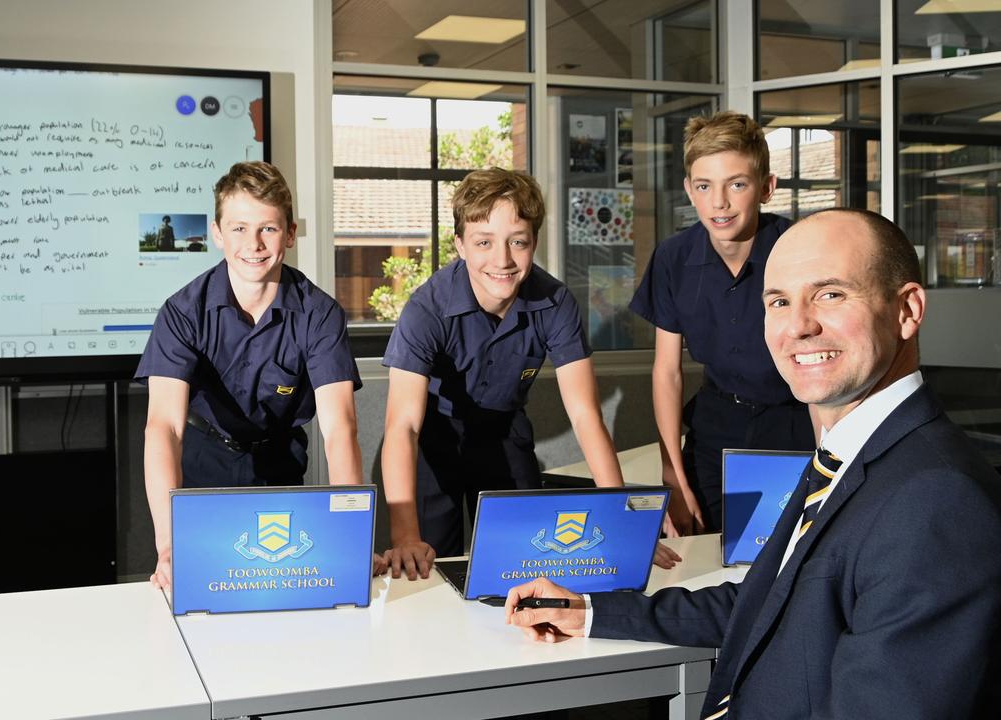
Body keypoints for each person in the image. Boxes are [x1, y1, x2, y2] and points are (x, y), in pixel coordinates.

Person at [506, 208, 1001, 718]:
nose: (799, 325)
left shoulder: (937, 500)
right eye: (779, 301)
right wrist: (586, 610)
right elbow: (775, 600)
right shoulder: (851, 453)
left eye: (830, 294)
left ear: (907, 310)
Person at [382, 167, 681, 580]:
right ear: (460, 246)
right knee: (427, 566)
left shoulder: (555, 302)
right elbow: (403, 426)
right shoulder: (426, 308)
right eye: (483, 242)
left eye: (517, 242)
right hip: (433, 438)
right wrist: (405, 538)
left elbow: (584, 415)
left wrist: (622, 521)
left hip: (504, 432)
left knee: (527, 560)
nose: (502, 260)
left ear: (533, 243)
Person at [135, 161, 381, 589]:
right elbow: (164, 429)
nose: (254, 244)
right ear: (217, 233)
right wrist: (168, 546)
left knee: (278, 583)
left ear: (289, 233)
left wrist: (354, 534)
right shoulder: (181, 312)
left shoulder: (319, 313)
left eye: (268, 228)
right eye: (239, 228)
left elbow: (340, 428)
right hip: (201, 464)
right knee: (202, 590)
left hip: (278, 461)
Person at [631, 111, 814, 536]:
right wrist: (671, 471)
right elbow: (668, 371)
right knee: (703, 547)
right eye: (704, 186)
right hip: (715, 427)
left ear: (766, 188)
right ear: (688, 191)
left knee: (786, 555)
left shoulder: (801, 250)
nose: (720, 203)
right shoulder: (673, 258)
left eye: (737, 184)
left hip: (795, 423)